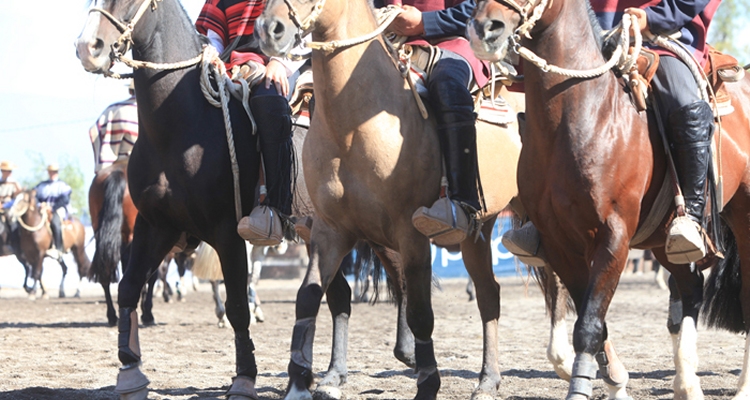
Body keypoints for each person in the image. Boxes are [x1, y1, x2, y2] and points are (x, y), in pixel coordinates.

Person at [502, 0, 720, 265]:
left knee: (683, 101)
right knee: (545, 103)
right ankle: (539, 216)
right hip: (584, 37)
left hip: (659, 37)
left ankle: (692, 217)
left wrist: (654, 18)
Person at [376, 0, 491, 246]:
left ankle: (462, 202)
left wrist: (423, 23)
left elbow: (482, 6)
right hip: (388, 42)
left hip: (456, 41)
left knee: (447, 83)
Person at [195, 0, 307, 246]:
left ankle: (276, 209)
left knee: (268, 99)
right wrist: (211, 54)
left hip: (280, 62)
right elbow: (214, 37)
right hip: (230, 67)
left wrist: (281, 62)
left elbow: (310, 25)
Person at [89, 80, 139, 173]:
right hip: (141, 165)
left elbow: (94, 131)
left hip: (114, 166)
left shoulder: (113, 109)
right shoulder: (153, 111)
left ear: (130, 91)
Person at [34, 164, 72, 254]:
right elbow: (34, 196)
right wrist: (39, 204)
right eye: (50, 172)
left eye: (54, 172)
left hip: (57, 208)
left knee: (55, 222)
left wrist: (53, 208)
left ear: (57, 172)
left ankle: (58, 248)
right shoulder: (41, 185)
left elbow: (65, 199)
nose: (52, 173)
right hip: (43, 208)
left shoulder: (62, 185)